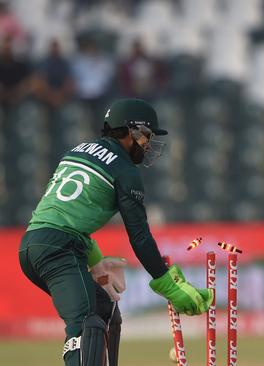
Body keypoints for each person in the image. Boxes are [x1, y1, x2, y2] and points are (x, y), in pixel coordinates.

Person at [18, 98, 213, 366]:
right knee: (87, 324)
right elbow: (140, 236)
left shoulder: (77, 151)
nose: (148, 144)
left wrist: (95, 261)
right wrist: (168, 285)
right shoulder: (123, 169)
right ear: (132, 131)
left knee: (105, 310)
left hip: (34, 243)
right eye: (146, 136)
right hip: (58, 249)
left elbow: (66, 213)